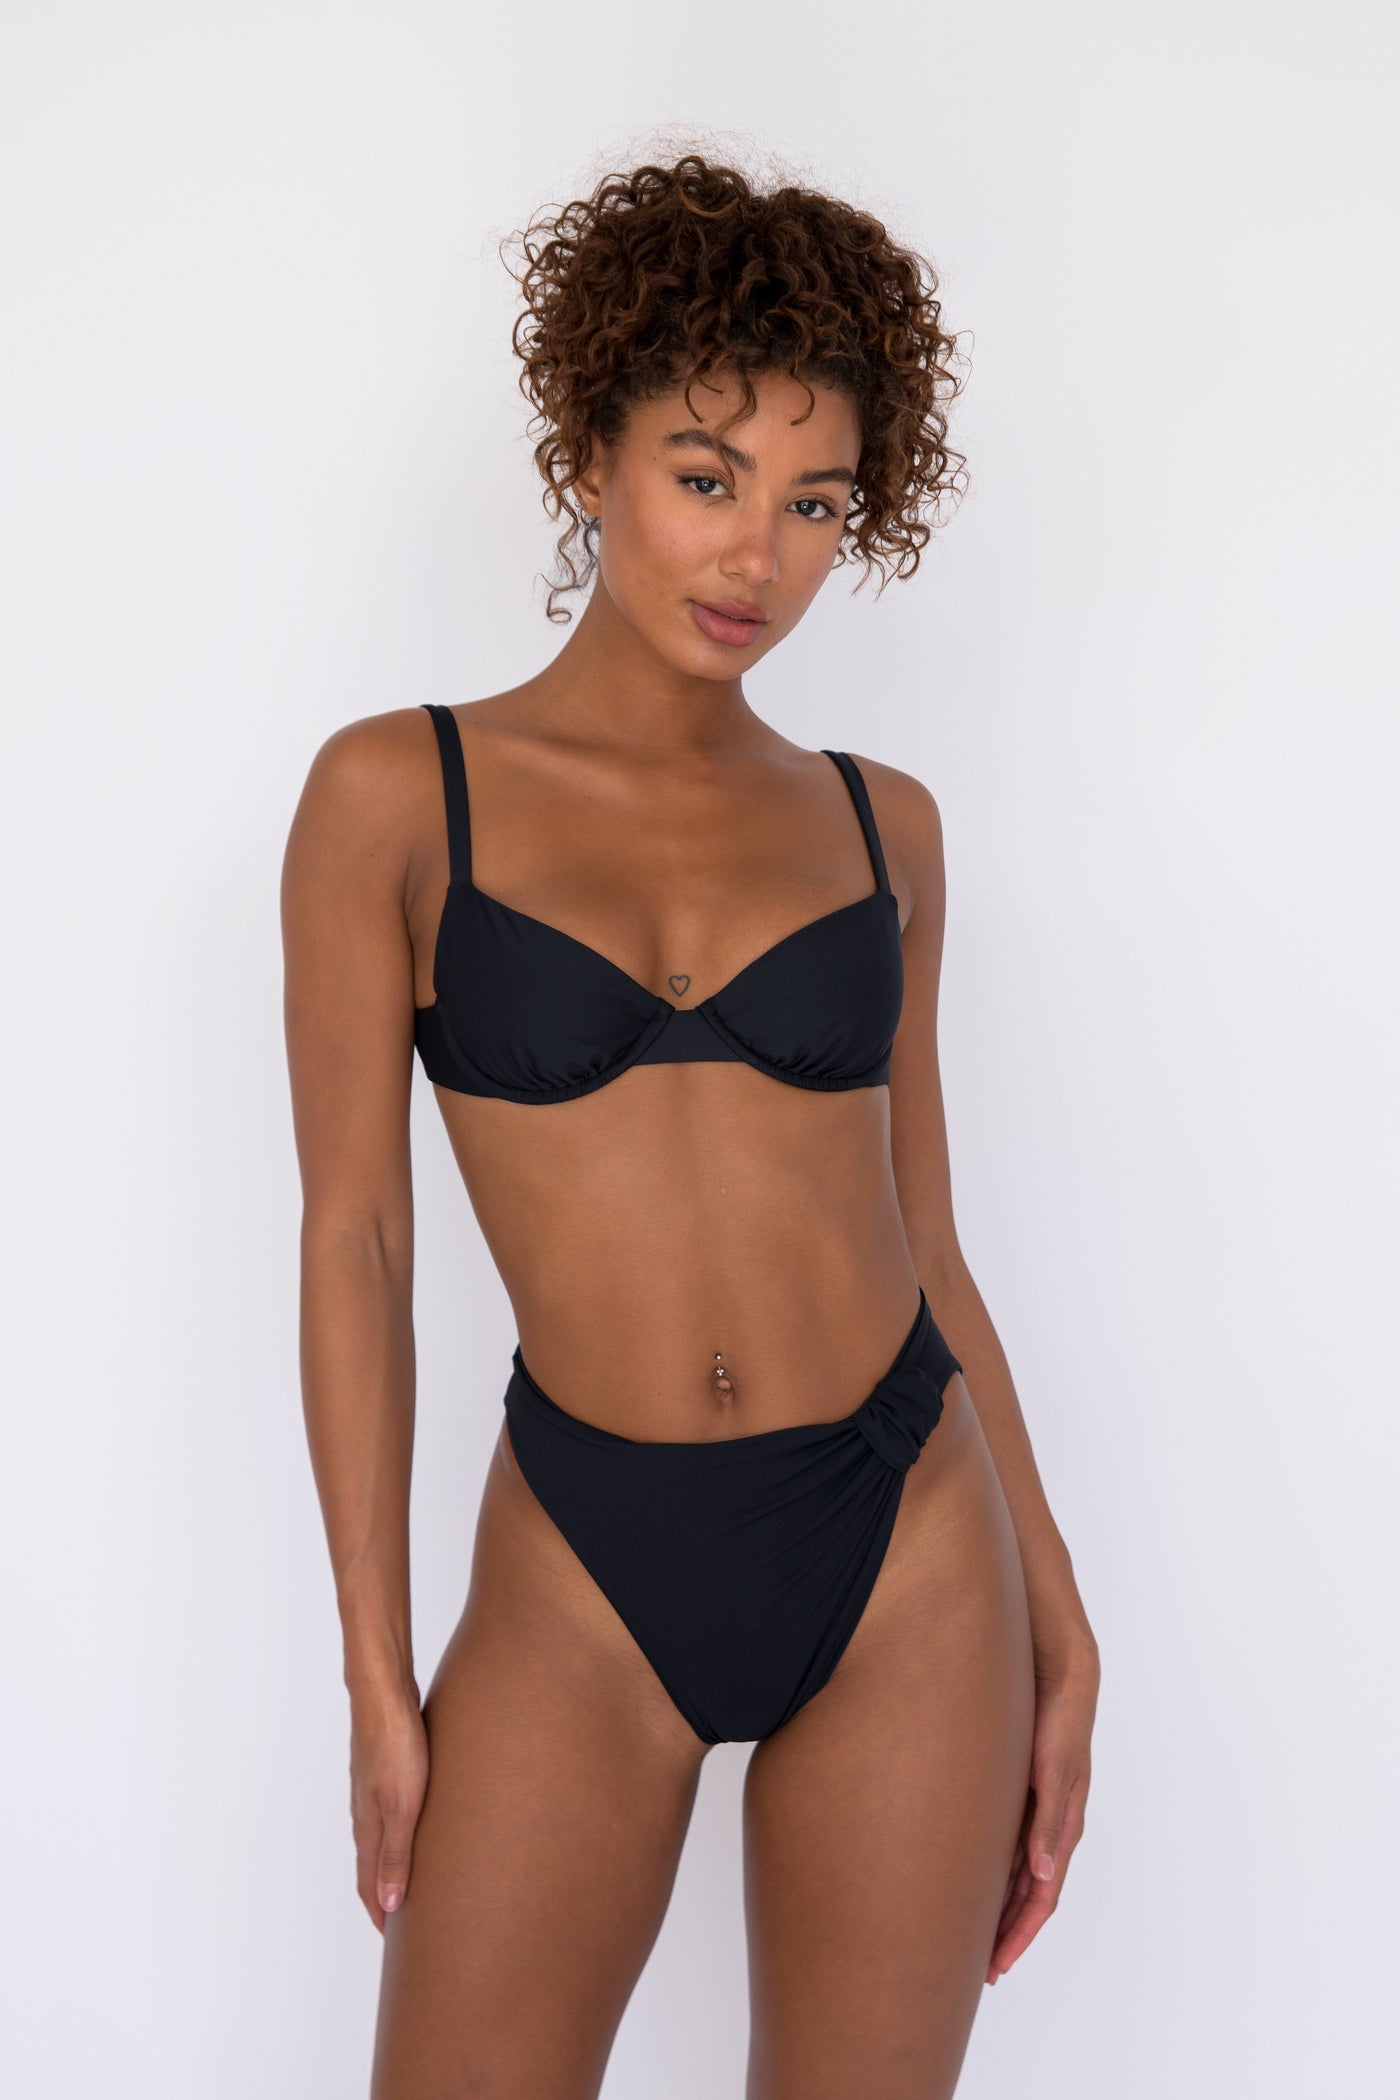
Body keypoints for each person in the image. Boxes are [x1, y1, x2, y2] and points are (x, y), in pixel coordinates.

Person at [281, 150, 1099, 2099]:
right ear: (588, 454)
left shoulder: (882, 827)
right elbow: (356, 1244)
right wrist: (376, 1674)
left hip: (909, 1546)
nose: (758, 560)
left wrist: (1062, 1627)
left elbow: (929, 1239)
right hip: (585, 1560)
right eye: (708, 476)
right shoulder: (397, 799)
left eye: (816, 502)